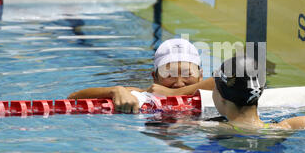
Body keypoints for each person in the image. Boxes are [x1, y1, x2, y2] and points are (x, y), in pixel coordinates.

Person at [68, 38, 215, 113]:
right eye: (168, 75)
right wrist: (115, 90)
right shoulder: (142, 95)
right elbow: (72, 98)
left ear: (201, 76)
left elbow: (231, 75)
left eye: (187, 74)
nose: (179, 82)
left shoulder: (218, 93)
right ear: (154, 77)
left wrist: (174, 93)